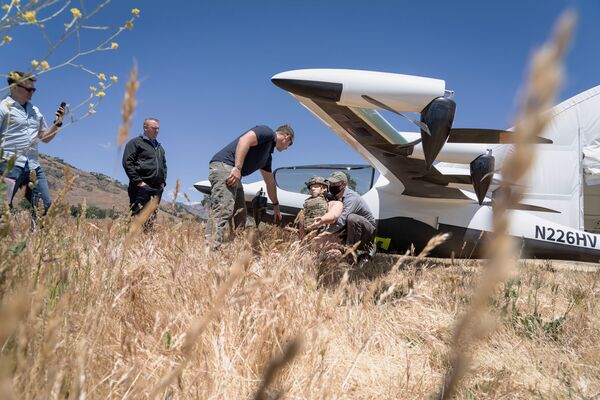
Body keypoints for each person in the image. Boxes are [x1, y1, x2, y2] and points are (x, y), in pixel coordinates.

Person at [205, 124, 294, 249]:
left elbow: (270, 182)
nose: (286, 149)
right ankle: (210, 250)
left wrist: (276, 205)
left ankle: (231, 249)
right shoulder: (267, 132)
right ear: (287, 137)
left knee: (240, 214)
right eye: (289, 145)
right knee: (223, 209)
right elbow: (244, 140)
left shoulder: (266, 157)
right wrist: (237, 168)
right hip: (226, 167)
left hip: (235, 173)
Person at [0, 71, 65, 228]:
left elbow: (45, 137)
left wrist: (57, 124)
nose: (32, 93)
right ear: (14, 87)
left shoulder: (35, 111)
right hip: (9, 164)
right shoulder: (3, 108)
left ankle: (35, 243)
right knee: (3, 207)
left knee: (45, 206)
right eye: (29, 89)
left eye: (33, 89)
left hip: (33, 167)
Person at [309, 170, 376, 256]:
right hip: (350, 229)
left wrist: (325, 234)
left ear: (343, 184)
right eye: (331, 183)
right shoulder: (334, 197)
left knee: (352, 218)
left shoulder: (351, 198)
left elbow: (342, 220)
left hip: (366, 232)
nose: (332, 186)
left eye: (335, 184)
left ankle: (352, 251)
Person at [122, 117, 167, 229]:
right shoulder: (135, 143)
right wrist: (139, 182)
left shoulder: (160, 147)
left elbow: (164, 166)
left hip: (157, 188)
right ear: (145, 128)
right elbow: (128, 163)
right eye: (154, 128)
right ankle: (132, 243)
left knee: (151, 219)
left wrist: (162, 183)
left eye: (158, 128)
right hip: (141, 187)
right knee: (137, 216)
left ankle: (147, 245)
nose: (157, 130)